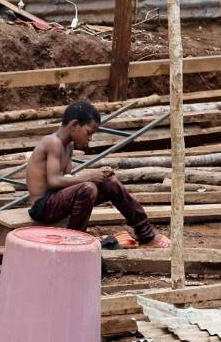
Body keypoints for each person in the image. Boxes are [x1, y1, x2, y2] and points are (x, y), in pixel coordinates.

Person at [23, 100, 171, 249]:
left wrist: (99, 176)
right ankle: (75, 243)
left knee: (110, 183)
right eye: (89, 133)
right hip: (42, 207)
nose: (90, 138)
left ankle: (146, 235)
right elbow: (54, 181)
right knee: (88, 188)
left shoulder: (68, 146)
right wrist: (89, 177)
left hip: (55, 200)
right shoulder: (53, 142)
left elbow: (67, 180)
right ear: (74, 125)